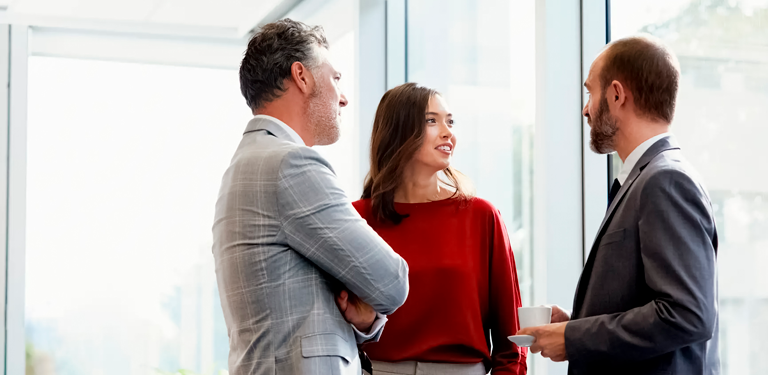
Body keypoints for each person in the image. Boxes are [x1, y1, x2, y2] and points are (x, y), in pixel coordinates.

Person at [212, 19, 409, 375]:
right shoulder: (290, 164)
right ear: (301, 76)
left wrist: (367, 319)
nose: (344, 97)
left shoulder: (245, 166)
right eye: (335, 78)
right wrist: (371, 304)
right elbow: (392, 282)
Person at [518, 35, 720, 375]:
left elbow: (687, 314)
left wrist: (574, 336)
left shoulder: (665, 180)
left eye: (590, 93)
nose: (586, 108)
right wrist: (573, 324)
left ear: (616, 94)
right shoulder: (648, 178)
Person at [351, 83, 527, 375]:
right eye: (432, 120)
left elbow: (512, 339)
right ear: (398, 131)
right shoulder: (356, 218)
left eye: (450, 121)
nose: (448, 133)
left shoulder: (482, 216)